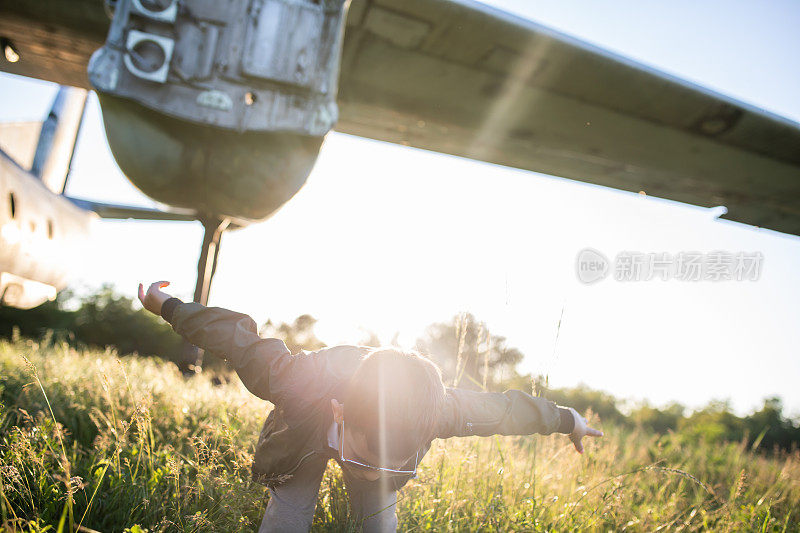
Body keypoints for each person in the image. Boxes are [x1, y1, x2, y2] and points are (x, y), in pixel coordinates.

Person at [138, 281, 603, 532]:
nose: (374, 471)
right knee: (289, 515)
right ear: (340, 413)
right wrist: (166, 305)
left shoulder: (435, 410)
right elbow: (236, 338)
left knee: (378, 521)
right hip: (305, 435)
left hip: (371, 411)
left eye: (392, 463)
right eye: (364, 457)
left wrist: (570, 420)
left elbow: (504, 412)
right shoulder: (297, 381)